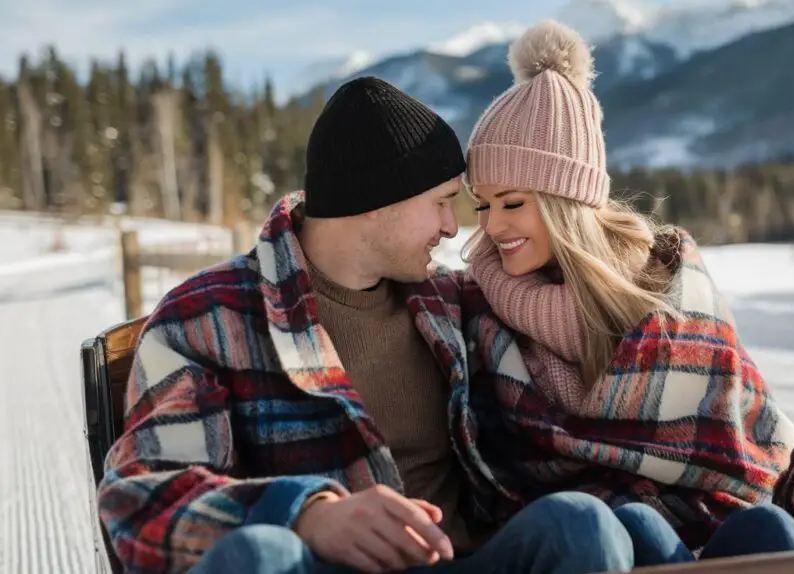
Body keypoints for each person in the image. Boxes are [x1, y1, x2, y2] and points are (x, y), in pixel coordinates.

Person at [95, 76, 638, 574]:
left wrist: (664, 266)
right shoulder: (207, 318)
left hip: (461, 560)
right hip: (314, 566)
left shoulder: (448, 303)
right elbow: (140, 496)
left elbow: (574, 296)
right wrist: (304, 514)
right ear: (378, 203)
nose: (454, 228)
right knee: (260, 555)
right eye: (444, 202)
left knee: (578, 525)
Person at [458, 19, 794, 566]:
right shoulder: (478, 312)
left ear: (567, 200)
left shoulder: (673, 296)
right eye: (483, 203)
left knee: (769, 526)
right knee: (635, 520)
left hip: (712, 532)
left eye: (512, 202)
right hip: (595, 545)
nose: (493, 226)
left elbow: (756, 428)